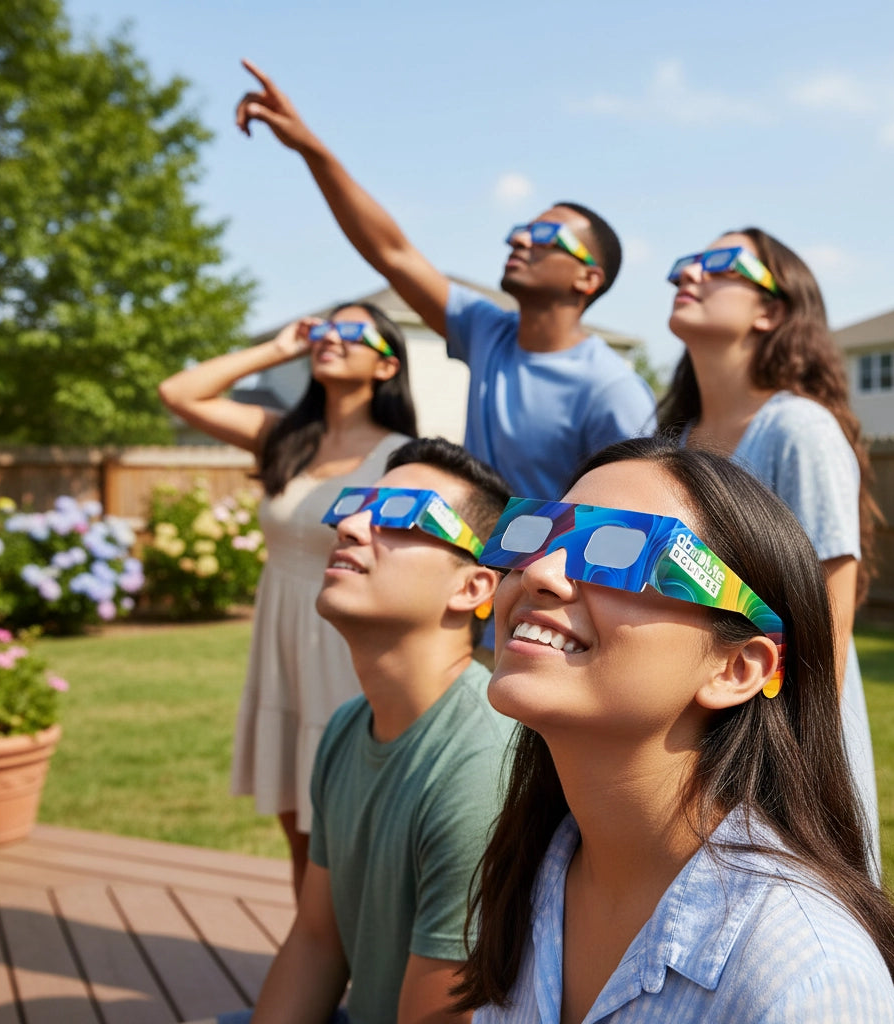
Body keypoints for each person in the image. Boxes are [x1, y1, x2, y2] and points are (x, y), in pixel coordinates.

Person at [455, 437, 894, 1022]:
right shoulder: (526, 878)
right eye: (536, 536)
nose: (541, 573)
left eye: (620, 551)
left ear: (736, 668)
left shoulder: (806, 977)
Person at [234, 60, 656, 500]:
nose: (522, 240)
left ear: (588, 278)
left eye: (547, 236)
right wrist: (310, 149)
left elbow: (632, 512)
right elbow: (392, 253)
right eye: (520, 231)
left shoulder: (611, 389)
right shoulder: (487, 333)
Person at [240, 436, 514, 1024]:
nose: (352, 527)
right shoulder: (347, 727)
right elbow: (317, 942)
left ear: (473, 588)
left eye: (401, 514)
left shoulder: (479, 771)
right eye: (352, 506)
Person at [158, 302, 416, 897]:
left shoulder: (407, 456)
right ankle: (312, 960)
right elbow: (179, 392)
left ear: (386, 366)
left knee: (344, 821)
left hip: (345, 643)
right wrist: (279, 349)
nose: (332, 337)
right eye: (325, 328)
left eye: (353, 331)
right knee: (293, 820)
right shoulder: (285, 437)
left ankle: (357, 962)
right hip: (278, 640)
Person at [657, 228, 883, 873]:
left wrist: (796, 770)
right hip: (687, 724)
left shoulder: (798, 428)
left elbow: (828, 614)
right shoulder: (669, 443)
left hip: (775, 740)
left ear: (771, 312)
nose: (689, 275)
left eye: (720, 264)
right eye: (684, 263)